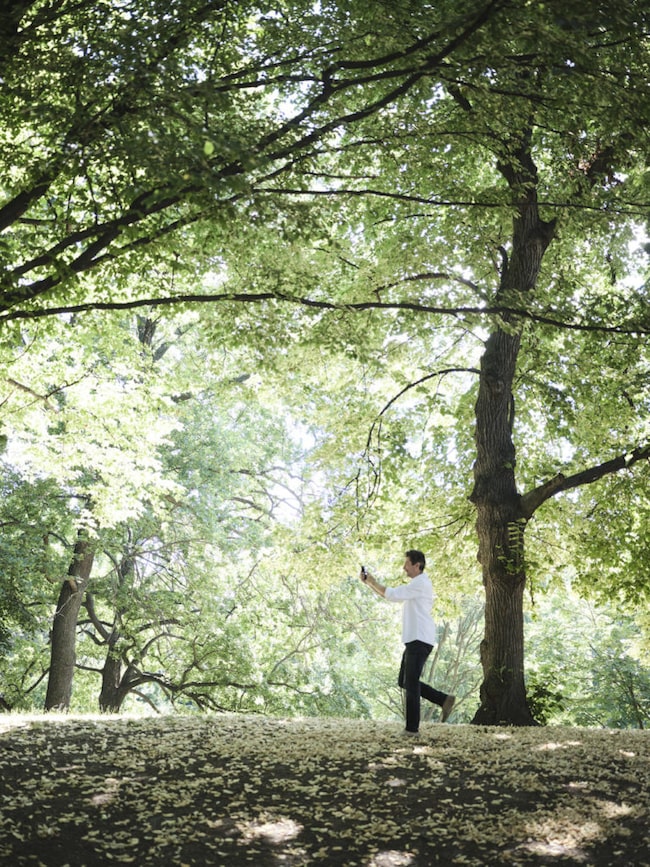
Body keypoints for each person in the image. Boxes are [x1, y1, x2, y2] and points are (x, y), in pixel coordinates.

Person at [360, 549, 455, 734]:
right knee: (404, 681)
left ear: (417, 565)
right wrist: (369, 583)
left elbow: (393, 594)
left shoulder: (420, 583)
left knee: (411, 682)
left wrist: (372, 581)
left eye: (407, 564)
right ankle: (443, 699)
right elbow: (390, 596)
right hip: (415, 639)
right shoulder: (417, 584)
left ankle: (412, 729)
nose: (404, 568)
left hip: (420, 638)